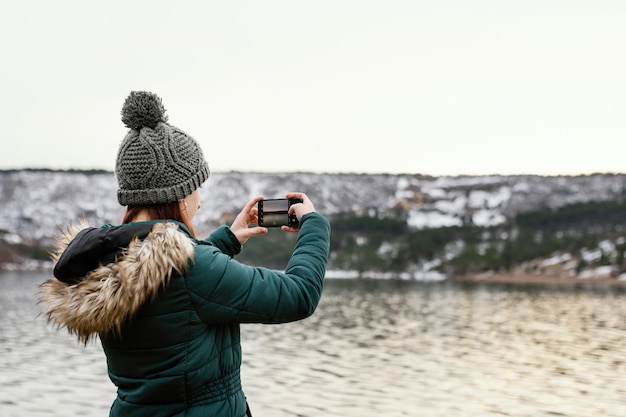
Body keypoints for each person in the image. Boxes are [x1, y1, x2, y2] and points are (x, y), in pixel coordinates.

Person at [39, 91, 331, 417]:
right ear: (177, 196)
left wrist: (228, 239)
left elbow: (174, 293)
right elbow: (299, 295)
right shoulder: (193, 269)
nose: (199, 201)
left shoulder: (106, 260)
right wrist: (314, 226)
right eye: (196, 189)